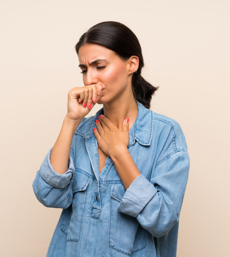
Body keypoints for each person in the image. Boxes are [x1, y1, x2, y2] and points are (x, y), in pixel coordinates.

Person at [32, 21, 190, 257]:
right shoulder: (81, 131)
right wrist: (70, 120)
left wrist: (119, 153)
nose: (89, 79)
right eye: (85, 69)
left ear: (132, 64)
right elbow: (48, 195)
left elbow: (162, 220)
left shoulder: (165, 134)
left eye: (100, 66)